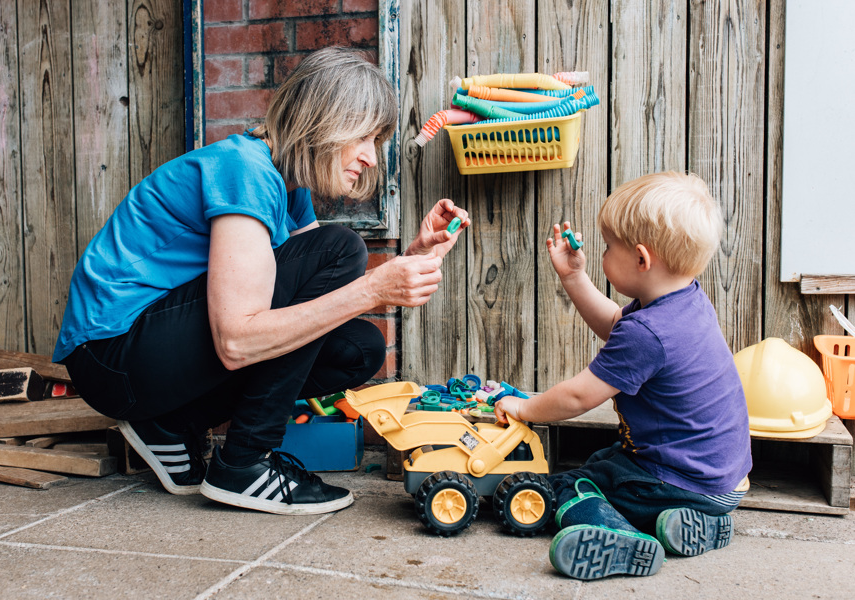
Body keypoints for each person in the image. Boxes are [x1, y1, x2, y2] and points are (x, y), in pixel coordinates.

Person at [53, 47, 470, 516]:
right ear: (325, 121)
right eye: (366, 138)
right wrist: (374, 288)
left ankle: (169, 425)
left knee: (357, 347)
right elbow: (235, 341)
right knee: (342, 248)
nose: (372, 158)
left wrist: (410, 259)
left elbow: (322, 298)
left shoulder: (291, 188)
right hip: (110, 356)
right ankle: (244, 463)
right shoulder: (245, 169)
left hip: (145, 361)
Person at [494, 172, 751, 580]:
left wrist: (524, 407)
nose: (602, 254)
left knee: (571, 484)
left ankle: (617, 538)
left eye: (608, 247)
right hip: (726, 483)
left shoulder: (649, 332)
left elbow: (579, 398)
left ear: (642, 259)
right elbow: (617, 325)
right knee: (608, 462)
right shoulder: (686, 303)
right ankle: (692, 523)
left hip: (680, 480)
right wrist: (574, 277)